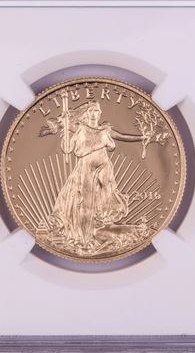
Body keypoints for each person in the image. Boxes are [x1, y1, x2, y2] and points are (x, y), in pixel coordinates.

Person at [39, 101, 152, 256]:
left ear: (100, 113)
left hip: (104, 166)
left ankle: (100, 225)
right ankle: (84, 238)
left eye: (96, 111)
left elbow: (123, 137)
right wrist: (63, 130)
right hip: (85, 168)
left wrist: (142, 137)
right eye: (91, 111)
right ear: (86, 113)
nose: (93, 114)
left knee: (106, 196)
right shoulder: (80, 128)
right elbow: (67, 149)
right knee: (85, 202)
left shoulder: (105, 130)